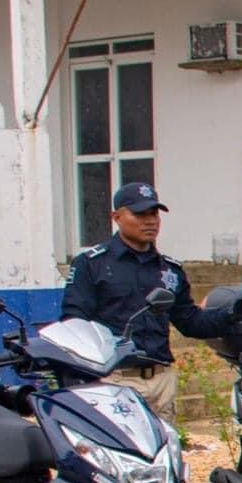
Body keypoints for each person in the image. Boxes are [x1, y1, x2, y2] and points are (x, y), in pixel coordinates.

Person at [60, 182, 230, 427]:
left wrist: (232, 313)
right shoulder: (92, 264)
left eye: (154, 213)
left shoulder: (169, 269)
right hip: (115, 378)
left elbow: (190, 321)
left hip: (160, 379)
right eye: (140, 214)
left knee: (165, 457)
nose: (150, 221)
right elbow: (74, 323)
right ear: (116, 217)